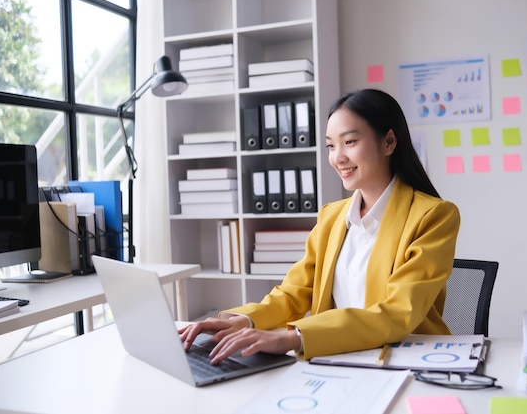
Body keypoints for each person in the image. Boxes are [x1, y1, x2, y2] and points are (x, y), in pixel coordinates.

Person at [179, 88, 460, 364]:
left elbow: (398, 312)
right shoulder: (331, 217)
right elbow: (295, 292)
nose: (338, 157)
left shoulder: (433, 216)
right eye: (331, 145)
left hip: (407, 360)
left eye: (349, 142)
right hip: (342, 357)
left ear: (388, 142)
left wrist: (297, 337)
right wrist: (246, 320)